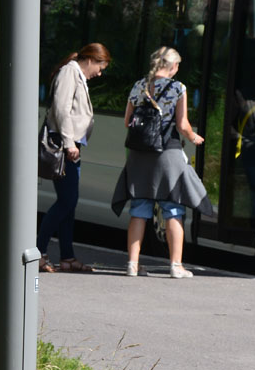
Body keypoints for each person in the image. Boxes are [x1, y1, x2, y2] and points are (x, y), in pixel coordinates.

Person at [111, 46, 216, 278]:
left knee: (139, 209)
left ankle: (132, 264)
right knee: (173, 207)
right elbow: (182, 124)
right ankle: (176, 266)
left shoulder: (139, 86)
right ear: (173, 67)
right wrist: (193, 137)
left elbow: (128, 121)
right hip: (167, 153)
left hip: (139, 155)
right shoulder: (178, 88)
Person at [37, 42, 111, 273]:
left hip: (72, 146)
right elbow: (61, 109)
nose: (99, 73)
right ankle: (38, 251)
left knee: (70, 202)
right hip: (64, 145)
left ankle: (67, 257)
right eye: (100, 67)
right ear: (90, 60)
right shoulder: (70, 72)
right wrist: (69, 143)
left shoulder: (76, 73)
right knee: (67, 201)